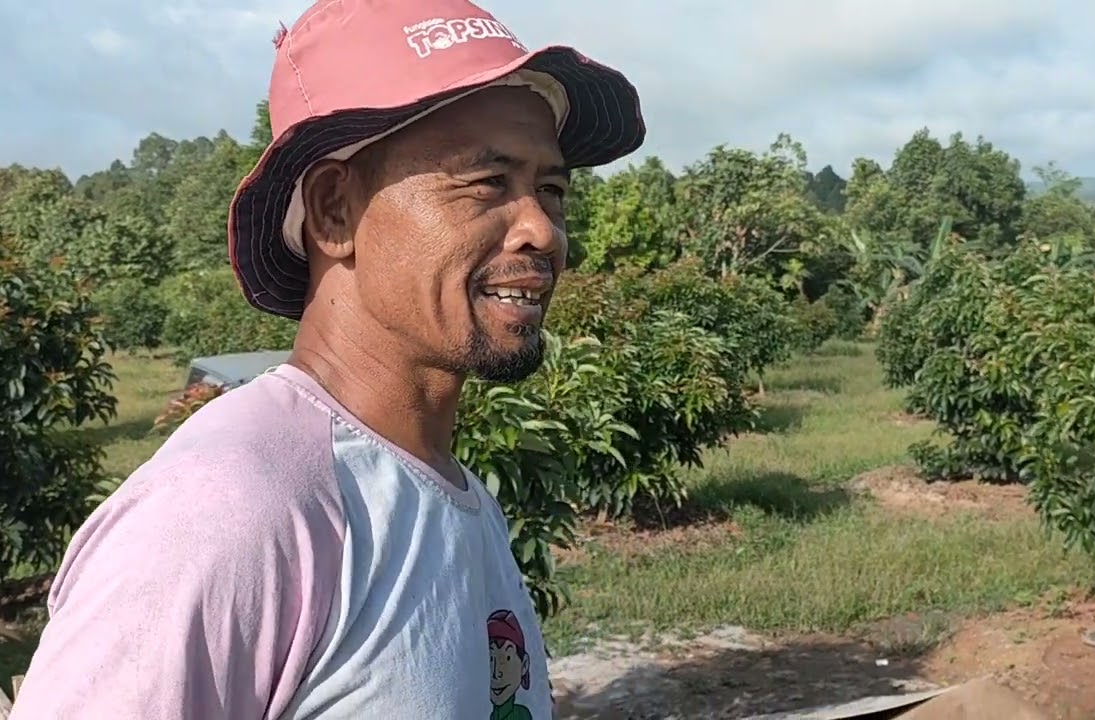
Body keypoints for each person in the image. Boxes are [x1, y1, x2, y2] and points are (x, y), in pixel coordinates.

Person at [11, 0, 644, 717]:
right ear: (335, 211)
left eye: (551, 190)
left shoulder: (455, 495)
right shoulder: (230, 508)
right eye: (488, 183)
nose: (543, 230)